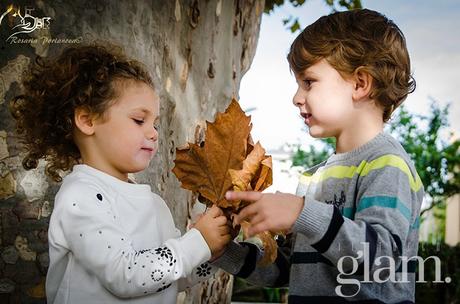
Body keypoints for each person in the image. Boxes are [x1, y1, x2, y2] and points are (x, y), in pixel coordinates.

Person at [213, 9, 424, 303]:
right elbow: (288, 269)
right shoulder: (312, 179)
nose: (296, 97)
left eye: (309, 81)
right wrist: (223, 251)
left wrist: (302, 213)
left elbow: (382, 261)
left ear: (360, 84)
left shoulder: (388, 165)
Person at [10, 43, 231, 303]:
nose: (153, 133)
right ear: (87, 120)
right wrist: (196, 243)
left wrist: (211, 251)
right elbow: (125, 275)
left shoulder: (155, 204)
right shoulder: (80, 197)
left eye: (156, 124)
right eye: (139, 120)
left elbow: (171, 277)